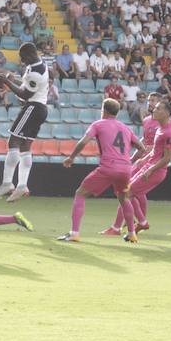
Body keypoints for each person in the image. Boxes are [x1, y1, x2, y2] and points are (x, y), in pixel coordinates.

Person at [59, 98, 145, 243]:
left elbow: (83, 142)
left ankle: (74, 233)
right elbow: (142, 148)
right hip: (125, 169)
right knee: (124, 198)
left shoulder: (98, 124)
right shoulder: (125, 128)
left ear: (103, 110)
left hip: (108, 166)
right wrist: (129, 161)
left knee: (80, 193)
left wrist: (71, 158)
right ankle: (131, 233)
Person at [104, 99, 171, 236]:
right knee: (125, 192)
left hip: (156, 171)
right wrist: (143, 160)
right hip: (148, 166)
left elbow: (167, 158)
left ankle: (137, 223)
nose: (153, 110)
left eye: (157, 108)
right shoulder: (160, 128)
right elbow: (156, 151)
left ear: (166, 113)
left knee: (125, 193)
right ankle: (140, 223)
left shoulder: (169, 132)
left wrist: (150, 169)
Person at [0, 43, 49, 203]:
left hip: (33, 107)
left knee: (13, 141)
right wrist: (14, 79)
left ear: (29, 56)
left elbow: (25, 94)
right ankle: (22, 185)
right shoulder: (39, 63)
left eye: (23, 59)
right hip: (41, 108)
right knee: (25, 147)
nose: (22, 62)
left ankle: (8, 183)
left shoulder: (36, 72)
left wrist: (6, 82)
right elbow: (26, 84)